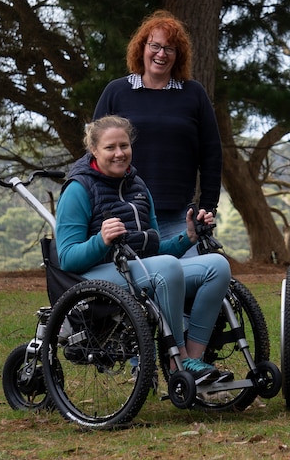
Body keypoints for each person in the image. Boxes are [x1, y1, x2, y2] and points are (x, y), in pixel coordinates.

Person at [55, 115, 232, 384]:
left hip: (136, 269)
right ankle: (178, 361)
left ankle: (194, 359)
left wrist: (187, 238)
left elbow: (152, 249)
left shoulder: (138, 185)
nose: (119, 153)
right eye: (110, 147)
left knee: (217, 266)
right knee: (168, 268)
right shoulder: (78, 189)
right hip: (93, 277)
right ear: (93, 150)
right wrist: (100, 240)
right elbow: (67, 259)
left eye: (124, 146)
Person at [93, 11, 222, 252]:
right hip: (126, 214)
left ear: (178, 56)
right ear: (142, 48)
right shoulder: (116, 91)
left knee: (199, 277)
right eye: (155, 46)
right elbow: (94, 151)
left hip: (179, 216)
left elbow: (211, 154)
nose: (161, 54)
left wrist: (208, 206)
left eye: (170, 48)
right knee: (137, 286)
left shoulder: (194, 94)